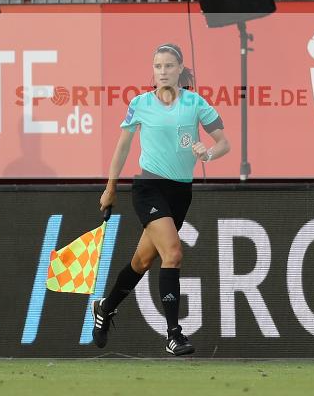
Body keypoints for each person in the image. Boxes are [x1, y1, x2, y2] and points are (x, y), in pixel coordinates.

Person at [92, 43, 230, 356]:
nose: (163, 71)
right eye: (158, 66)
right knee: (173, 253)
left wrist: (207, 152)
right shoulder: (140, 103)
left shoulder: (195, 103)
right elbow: (122, 148)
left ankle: (105, 306)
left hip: (180, 191)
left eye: (169, 66)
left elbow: (224, 143)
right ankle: (173, 334)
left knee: (142, 260)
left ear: (180, 69)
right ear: (152, 72)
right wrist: (110, 188)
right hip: (148, 187)